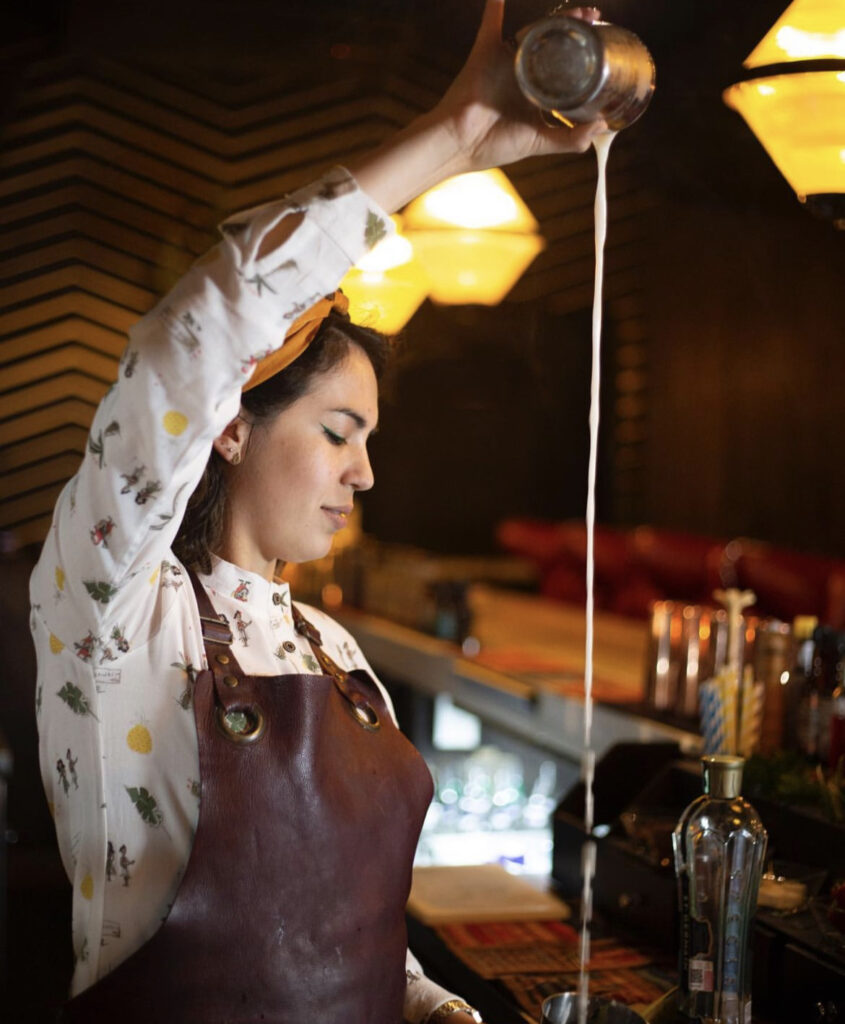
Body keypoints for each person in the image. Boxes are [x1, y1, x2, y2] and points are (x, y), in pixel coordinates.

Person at [30, 2, 606, 1021]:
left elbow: (349, 931)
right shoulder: (113, 611)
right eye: (339, 430)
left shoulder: (336, 653)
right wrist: (456, 137)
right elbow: (198, 332)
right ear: (231, 426)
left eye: (370, 440)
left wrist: (434, 1008)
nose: (365, 473)